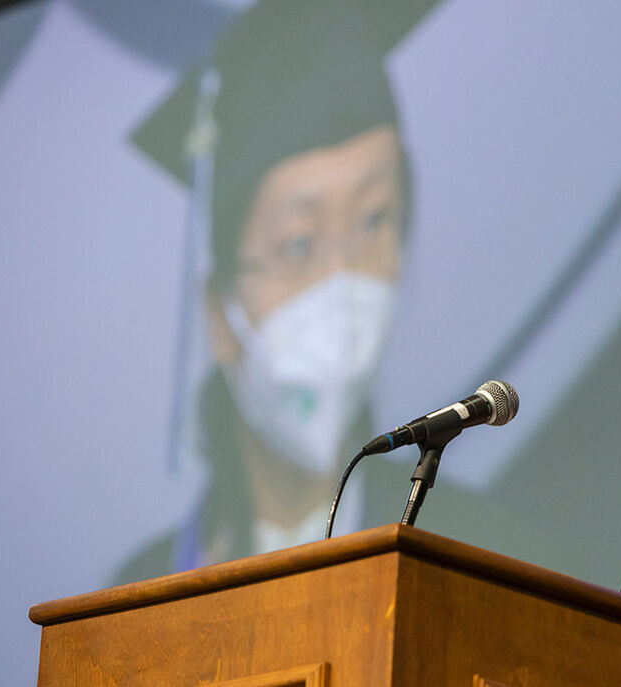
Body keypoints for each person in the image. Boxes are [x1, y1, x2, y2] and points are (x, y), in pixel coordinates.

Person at [114, 0, 434, 582]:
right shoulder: (139, 604)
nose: (342, 284)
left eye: (372, 221)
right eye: (298, 245)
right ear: (220, 315)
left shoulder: (476, 562)